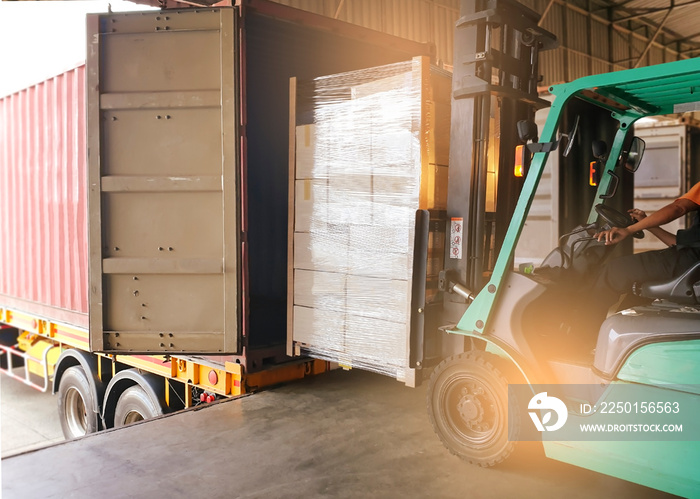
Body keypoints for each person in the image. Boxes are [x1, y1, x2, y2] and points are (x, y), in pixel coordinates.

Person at [592, 181, 700, 321]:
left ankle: (580, 337)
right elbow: (678, 244)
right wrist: (647, 223)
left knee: (614, 271)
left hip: (691, 262)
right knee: (636, 291)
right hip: (692, 263)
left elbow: (678, 208)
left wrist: (628, 230)